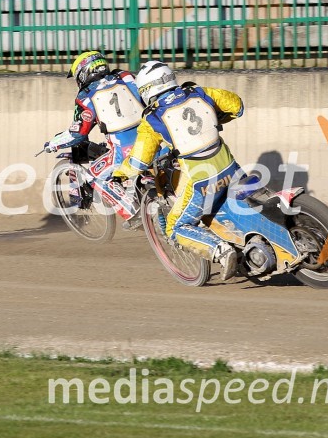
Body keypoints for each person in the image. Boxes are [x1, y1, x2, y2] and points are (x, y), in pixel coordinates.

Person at [112, 60, 244, 279]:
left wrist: (120, 173)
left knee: (176, 226)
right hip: (231, 167)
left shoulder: (152, 117)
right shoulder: (199, 92)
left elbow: (139, 162)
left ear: (145, 90)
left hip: (202, 181)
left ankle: (221, 250)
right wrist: (215, 119)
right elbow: (237, 106)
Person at [44, 51, 145, 224]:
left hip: (125, 149)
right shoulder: (126, 76)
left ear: (83, 74)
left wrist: (53, 144)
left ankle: (134, 215)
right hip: (155, 138)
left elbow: (78, 134)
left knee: (96, 177)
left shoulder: (85, 97)